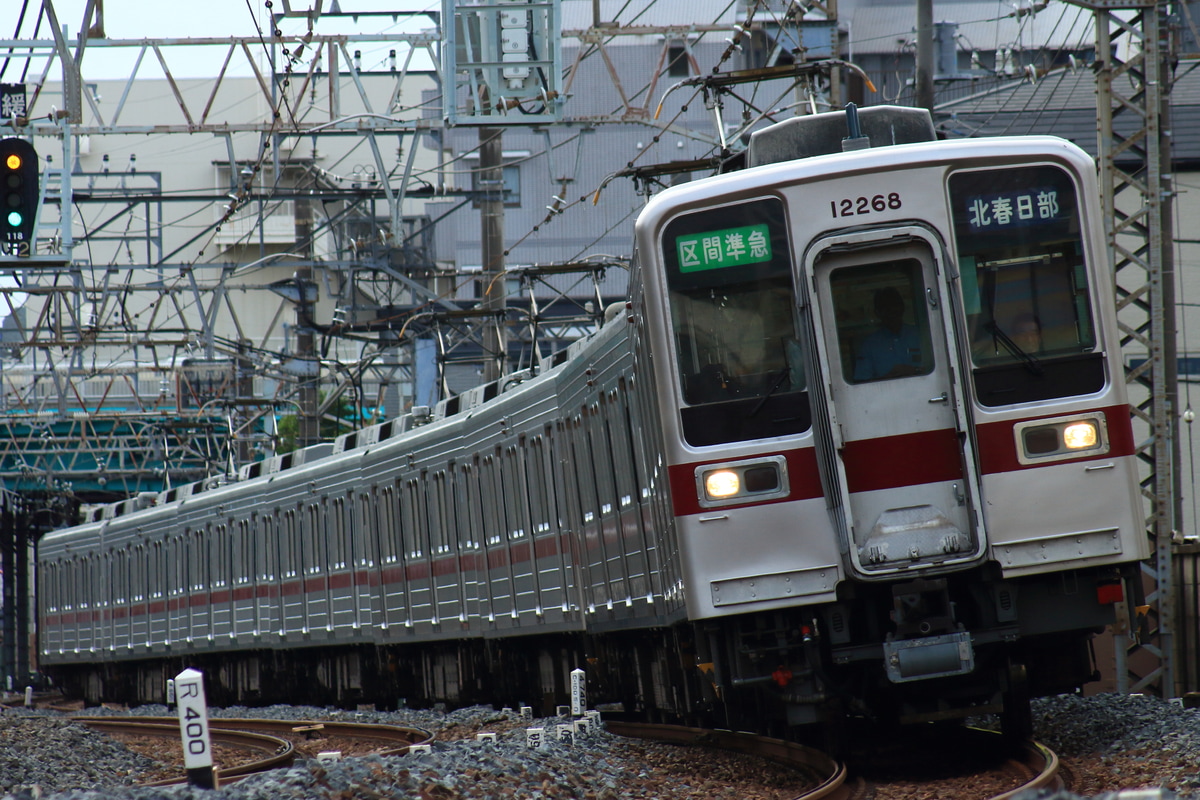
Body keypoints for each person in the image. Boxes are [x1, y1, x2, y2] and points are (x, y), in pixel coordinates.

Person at [853, 286, 924, 381]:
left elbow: (941, 368)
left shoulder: (922, 335)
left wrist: (914, 370)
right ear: (877, 313)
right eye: (885, 309)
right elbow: (861, 381)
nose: (891, 313)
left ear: (902, 308)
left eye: (894, 307)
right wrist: (887, 378)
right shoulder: (869, 345)